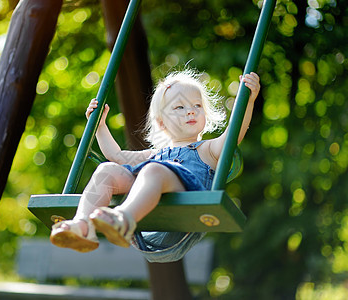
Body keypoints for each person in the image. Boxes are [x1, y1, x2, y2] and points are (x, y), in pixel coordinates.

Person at [50, 69, 260, 262]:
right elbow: (116, 155)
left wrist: (247, 102)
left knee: (154, 169)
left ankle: (123, 219)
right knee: (107, 170)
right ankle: (83, 225)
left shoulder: (208, 149)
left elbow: (234, 134)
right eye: (180, 107)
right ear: (161, 123)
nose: (191, 112)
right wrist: (100, 126)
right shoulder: (155, 154)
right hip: (148, 229)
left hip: (184, 214)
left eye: (197, 106)